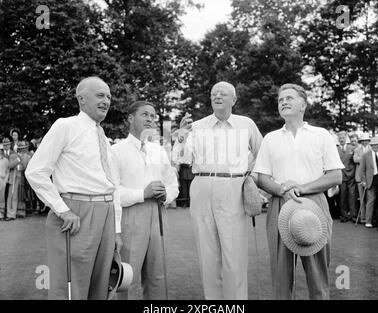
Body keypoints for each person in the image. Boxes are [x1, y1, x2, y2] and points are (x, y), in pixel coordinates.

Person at [26, 76, 122, 300]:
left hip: (106, 215)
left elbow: (112, 185)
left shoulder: (104, 139)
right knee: (70, 290)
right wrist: (62, 209)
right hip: (76, 213)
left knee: (102, 288)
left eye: (108, 96)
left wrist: (116, 228)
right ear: (81, 99)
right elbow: (35, 171)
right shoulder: (65, 126)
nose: (106, 101)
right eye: (100, 95)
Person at [251, 83, 343, 299]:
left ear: (303, 104)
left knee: (318, 277)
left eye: (289, 98)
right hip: (280, 205)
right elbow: (262, 177)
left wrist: (301, 188)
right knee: (281, 279)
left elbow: (335, 176)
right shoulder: (270, 138)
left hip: (314, 205)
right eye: (281, 99)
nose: (284, 102)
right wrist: (283, 190)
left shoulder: (321, 135)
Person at [180, 81, 263, 300]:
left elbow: (262, 155)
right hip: (202, 186)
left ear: (234, 100)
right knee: (208, 255)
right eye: (214, 93)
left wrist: (250, 177)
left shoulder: (247, 124)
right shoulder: (196, 126)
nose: (217, 96)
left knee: (233, 255)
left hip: (234, 188)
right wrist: (179, 135)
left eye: (223, 94)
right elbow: (179, 158)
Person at [112, 100, 179, 300]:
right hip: (131, 216)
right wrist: (143, 193)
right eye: (145, 114)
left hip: (159, 215)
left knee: (158, 277)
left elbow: (173, 185)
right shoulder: (116, 151)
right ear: (131, 118)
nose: (150, 119)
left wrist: (166, 194)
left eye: (152, 115)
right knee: (128, 278)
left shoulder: (158, 151)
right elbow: (113, 193)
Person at [359, 137, 378, 228]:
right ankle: (368, 221)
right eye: (373, 145)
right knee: (371, 201)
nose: (375, 146)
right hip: (371, 180)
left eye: (377, 144)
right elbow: (362, 170)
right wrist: (364, 181)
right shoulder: (366, 155)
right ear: (371, 145)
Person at [6, 141, 31, 219]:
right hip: (14, 177)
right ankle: (11, 214)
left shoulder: (27, 157)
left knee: (21, 195)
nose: (22, 149)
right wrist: (18, 159)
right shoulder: (13, 155)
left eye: (23, 148)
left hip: (22, 177)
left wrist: (23, 160)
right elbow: (10, 165)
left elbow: (27, 167)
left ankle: (21, 212)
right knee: (12, 195)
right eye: (20, 148)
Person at [337, 131, 357, 222]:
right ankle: (344, 215)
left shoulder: (352, 148)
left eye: (343, 138)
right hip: (341, 176)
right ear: (338, 139)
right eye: (340, 138)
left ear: (346, 138)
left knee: (352, 196)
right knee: (342, 196)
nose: (341, 139)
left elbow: (356, 160)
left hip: (351, 175)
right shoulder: (335, 149)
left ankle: (353, 215)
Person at [353, 133, 371, 223]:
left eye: (366, 140)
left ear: (368, 141)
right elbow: (355, 159)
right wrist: (364, 159)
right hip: (359, 176)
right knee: (361, 198)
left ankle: (369, 218)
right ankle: (363, 217)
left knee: (369, 198)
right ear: (361, 141)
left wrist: (361, 159)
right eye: (363, 140)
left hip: (369, 176)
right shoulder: (357, 150)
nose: (365, 142)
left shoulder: (371, 149)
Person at [0, 147, 9, 220]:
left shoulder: (5, 160)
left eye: (1, 150)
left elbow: (8, 171)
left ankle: (1, 214)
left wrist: (5, 180)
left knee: (2, 198)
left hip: (2, 180)